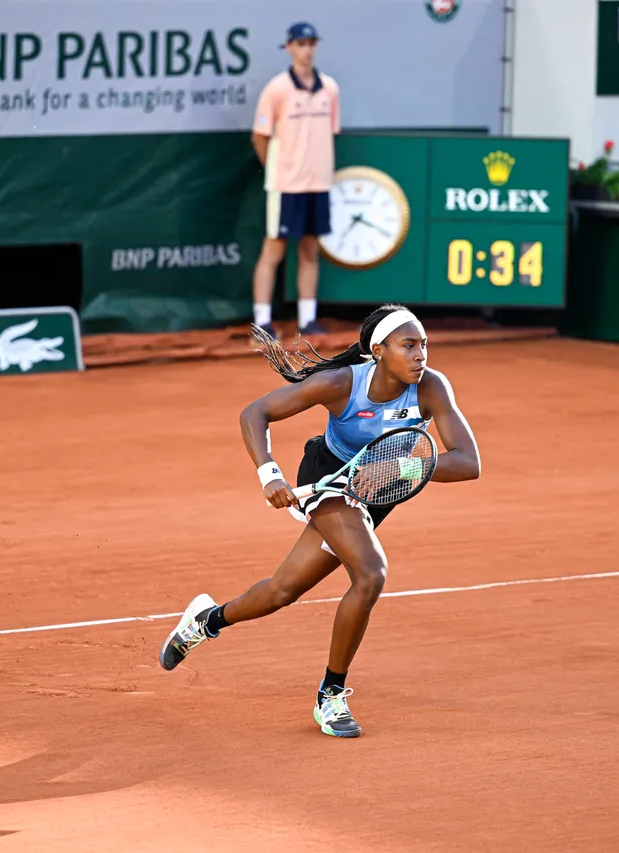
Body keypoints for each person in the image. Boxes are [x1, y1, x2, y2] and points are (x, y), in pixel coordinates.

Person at [158, 304, 482, 738]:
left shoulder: (431, 387)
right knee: (370, 575)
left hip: (377, 492)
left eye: (423, 344)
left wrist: (397, 471)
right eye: (408, 345)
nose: (420, 354)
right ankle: (331, 694)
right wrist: (268, 473)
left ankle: (206, 621)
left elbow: (467, 461)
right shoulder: (339, 384)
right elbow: (254, 413)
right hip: (327, 478)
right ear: (378, 350)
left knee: (282, 590)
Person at [250, 21, 341, 341]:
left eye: (311, 43)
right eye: (301, 44)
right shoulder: (276, 90)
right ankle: (262, 323)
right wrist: (276, 168)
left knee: (309, 250)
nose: (307, 49)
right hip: (285, 186)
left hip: (318, 184)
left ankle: (307, 319)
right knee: (272, 251)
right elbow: (260, 136)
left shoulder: (330, 89)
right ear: (289, 47)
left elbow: (329, 133)